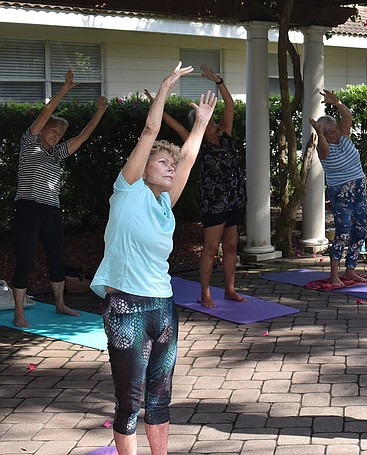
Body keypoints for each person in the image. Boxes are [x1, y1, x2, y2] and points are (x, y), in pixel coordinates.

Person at [90, 63, 216, 455]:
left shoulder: (165, 202)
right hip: (126, 306)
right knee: (129, 401)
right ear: (142, 168)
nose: (171, 167)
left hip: (162, 306)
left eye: (171, 164)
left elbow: (190, 160)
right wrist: (164, 88)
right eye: (163, 162)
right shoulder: (127, 191)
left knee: (160, 397)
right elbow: (150, 131)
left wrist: (200, 124)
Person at [11, 69, 107, 328]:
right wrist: (65, 89)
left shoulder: (57, 153)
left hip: (51, 210)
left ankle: (60, 303)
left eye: (59, 134)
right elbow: (44, 115)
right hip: (28, 208)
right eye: (53, 131)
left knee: (57, 258)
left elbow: (83, 136)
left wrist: (99, 112)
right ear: (42, 131)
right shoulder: (29, 144)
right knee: (26, 258)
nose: (56, 135)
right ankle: (19, 311)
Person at [146, 64, 247, 308]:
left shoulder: (225, 133)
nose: (211, 121)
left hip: (234, 196)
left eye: (211, 118)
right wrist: (156, 101)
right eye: (206, 119)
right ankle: (205, 292)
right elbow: (172, 124)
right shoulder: (196, 141)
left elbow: (230, 106)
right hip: (213, 200)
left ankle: (230, 289)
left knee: (231, 246)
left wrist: (219, 81)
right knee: (211, 249)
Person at [309, 89, 367, 287]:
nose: (336, 133)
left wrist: (337, 102)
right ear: (324, 134)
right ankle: (334, 274)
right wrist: (318, 132)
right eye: (330, 132)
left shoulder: (344, 135)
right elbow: (324, 147)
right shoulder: (323, 148)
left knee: (360, 230)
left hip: (359, 187)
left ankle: (350, 269)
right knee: (343, 231)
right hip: (341, 192)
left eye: (335, 128)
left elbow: (347, 116)